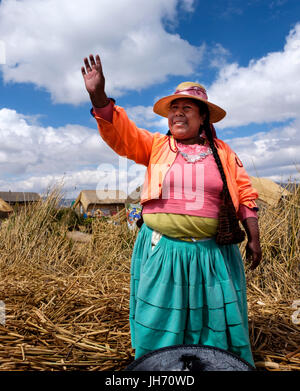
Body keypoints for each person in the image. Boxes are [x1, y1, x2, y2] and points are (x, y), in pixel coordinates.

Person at [81, 54, 262, 367]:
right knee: (161, 319)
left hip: (211, 255)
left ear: (203, 117)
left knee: (210, 324)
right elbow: (122, 135)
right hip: (163, 251)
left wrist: (254, 237)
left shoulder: (223, 153)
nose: (177, 114)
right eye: (173, 109)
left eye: (186, 108)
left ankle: (211, 361)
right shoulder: (155, 146)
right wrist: (98, 96)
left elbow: (245, 195)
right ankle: (158, 366)